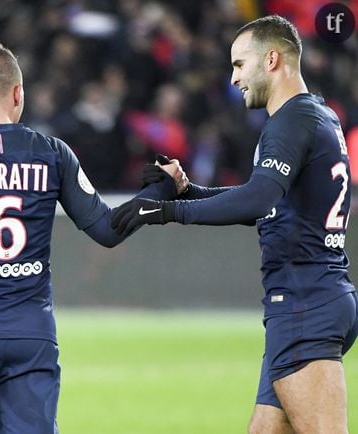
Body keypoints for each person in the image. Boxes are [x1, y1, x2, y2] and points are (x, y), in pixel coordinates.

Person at [0, 40, 188, 434]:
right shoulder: (54, 153)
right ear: (18, 93)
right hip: (31, 335)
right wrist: (159, 191)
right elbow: (108, 229)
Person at [112, 15, 358, 434]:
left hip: (304, 304)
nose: (233, 78)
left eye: (240, 64)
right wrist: (187, 190)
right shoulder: (318, 115)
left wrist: (169, 212)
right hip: (316, 297)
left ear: (273, 59)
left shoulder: (289, 123)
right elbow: (267, 202)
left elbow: (258, 201)